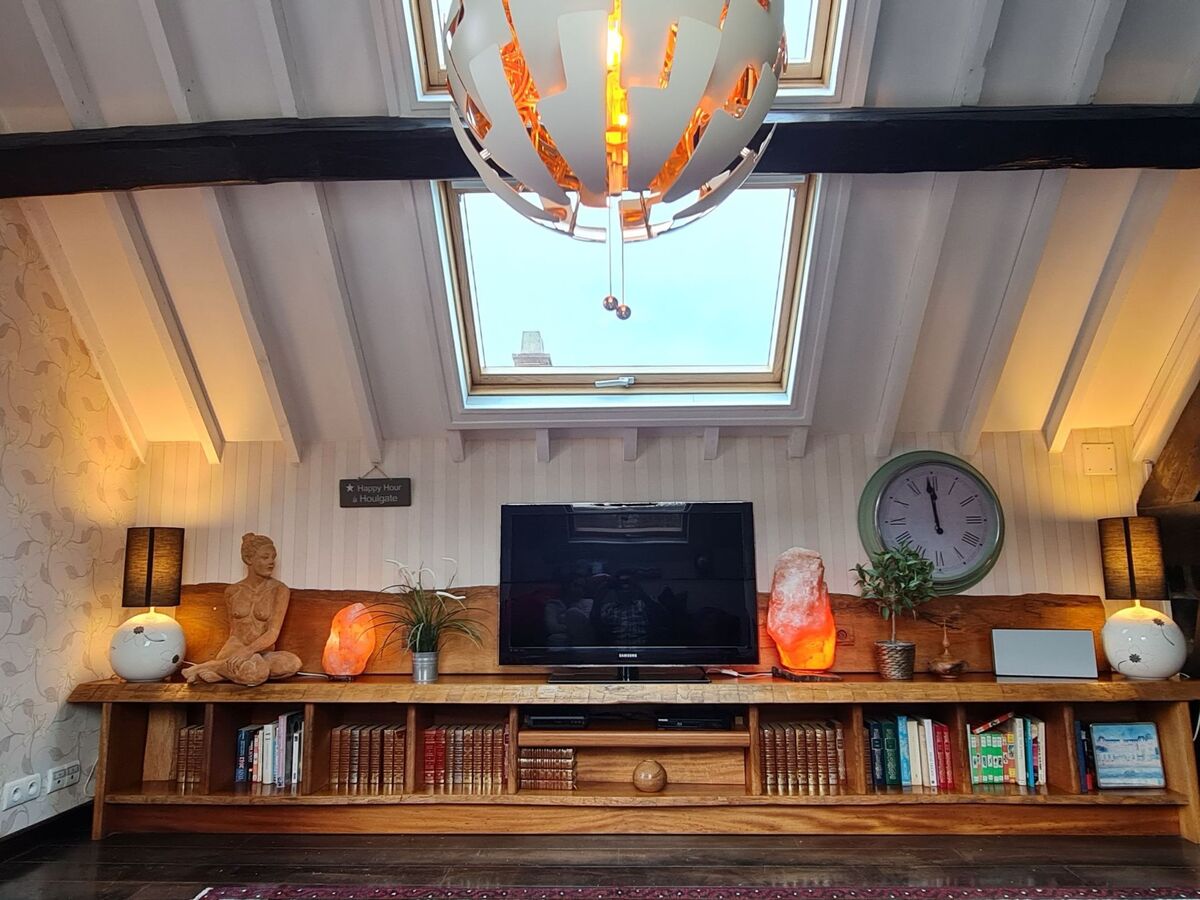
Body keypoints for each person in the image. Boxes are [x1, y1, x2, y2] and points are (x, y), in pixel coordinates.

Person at [181, 533, 302, 687]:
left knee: (293, 663)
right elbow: (233, 631)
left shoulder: (280, 590)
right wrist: (242, 652)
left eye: (273, 557)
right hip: (235, 647)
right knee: (257, 673)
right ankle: (232, 668)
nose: (271, 562)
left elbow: (273, 632)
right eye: (265, 557)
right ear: (248, 559)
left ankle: (214, 669)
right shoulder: (233, 591)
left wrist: (249, 651)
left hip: (262, 651)